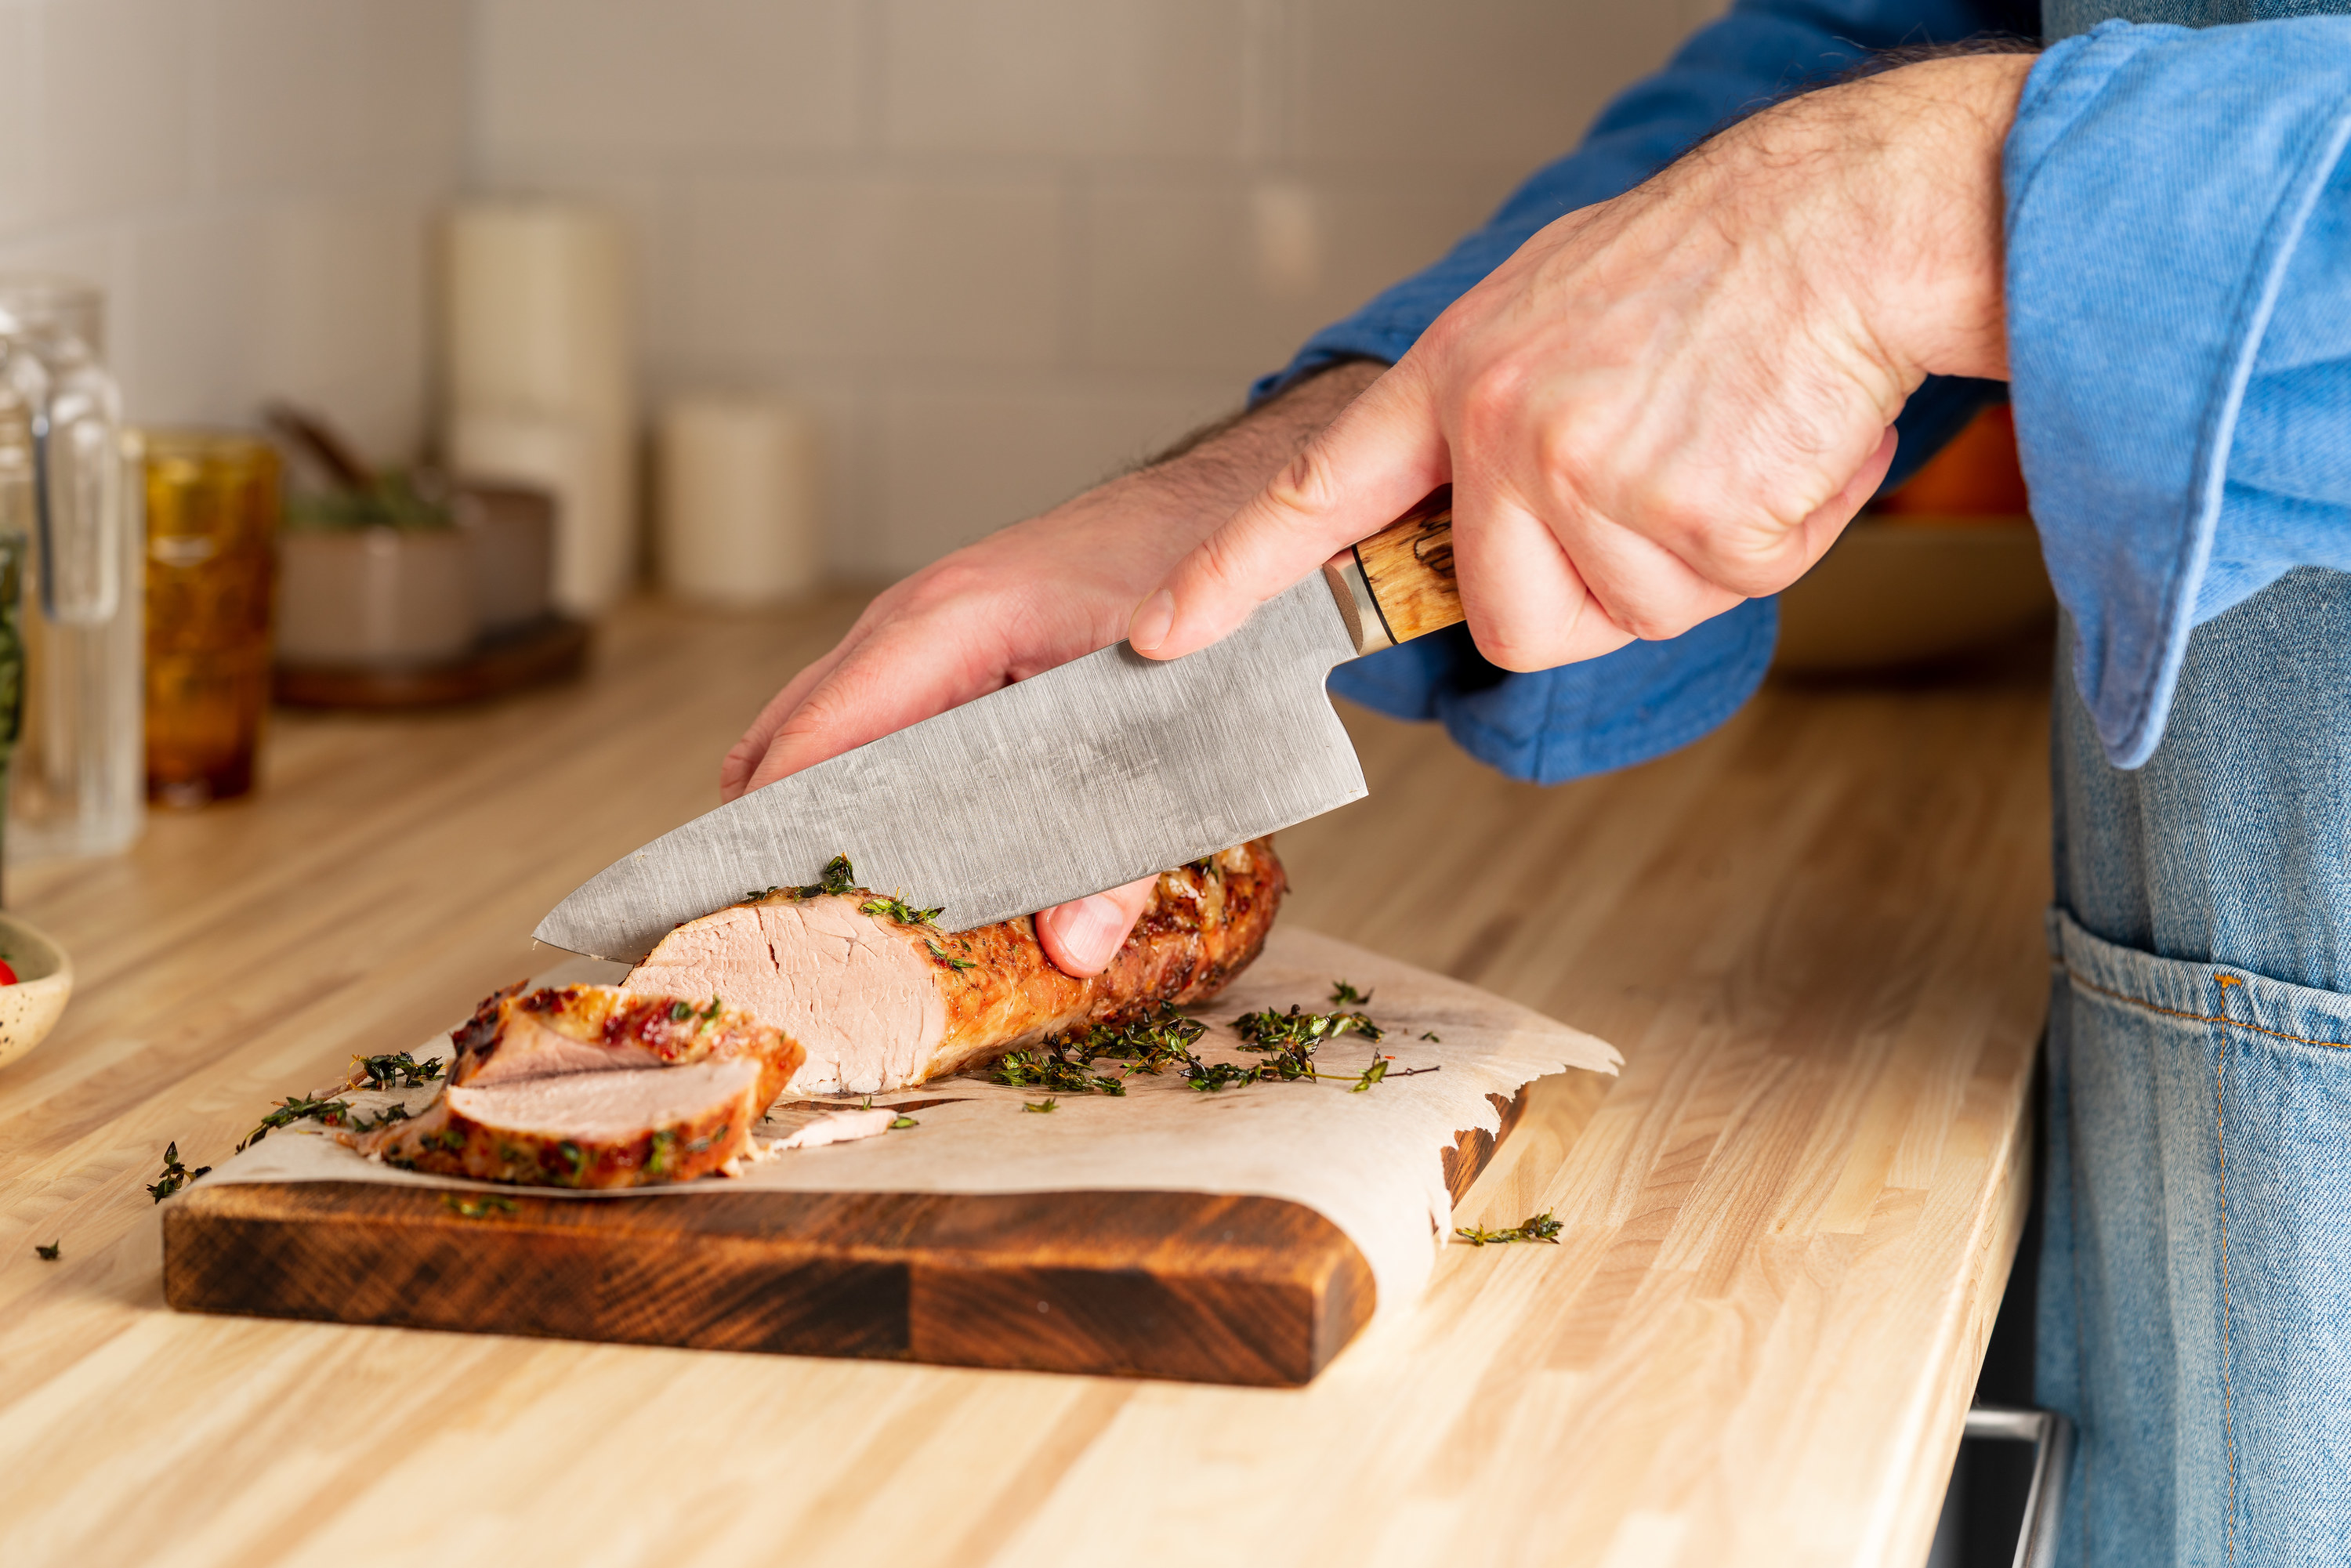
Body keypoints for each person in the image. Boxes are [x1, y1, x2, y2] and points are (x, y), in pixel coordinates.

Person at [724, 5, 2351, 1563]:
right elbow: (1910, 25)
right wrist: (1257, 515)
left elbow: (1893, 160)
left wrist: (1927, 199)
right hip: (2200, 1162)